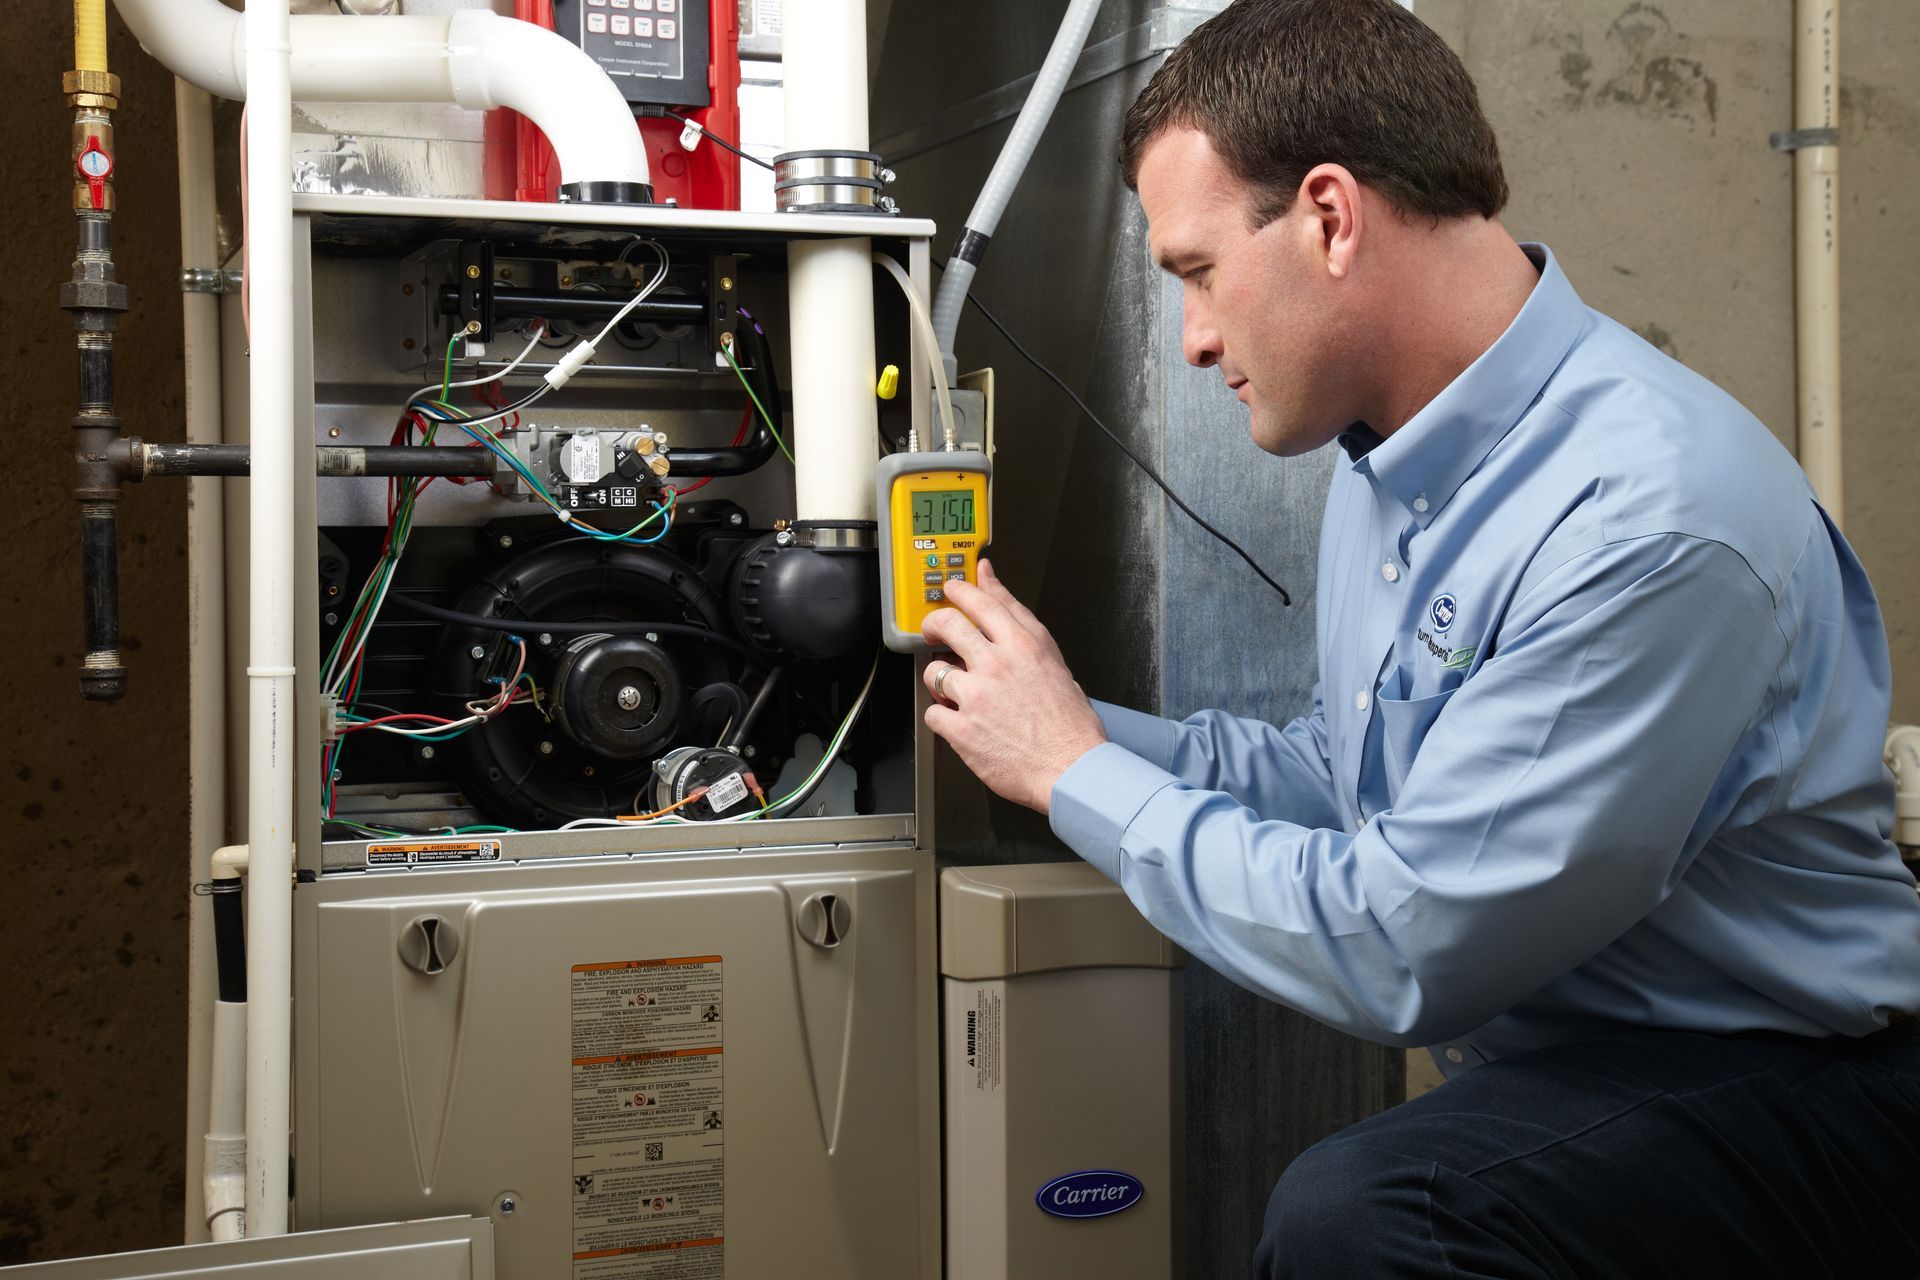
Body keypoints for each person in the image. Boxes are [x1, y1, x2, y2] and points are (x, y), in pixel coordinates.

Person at [918, 1, 1920, 1275]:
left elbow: (1409, 940)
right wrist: (1031, 717)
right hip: (1607, 1072)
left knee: (1379, 1209)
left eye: (1198, 270)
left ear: (1331, 218)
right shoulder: (1395, 462)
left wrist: (1074, 774)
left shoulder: (1647, 522)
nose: (1196, 337)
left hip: (1797, 1086)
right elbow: (1350, 779)